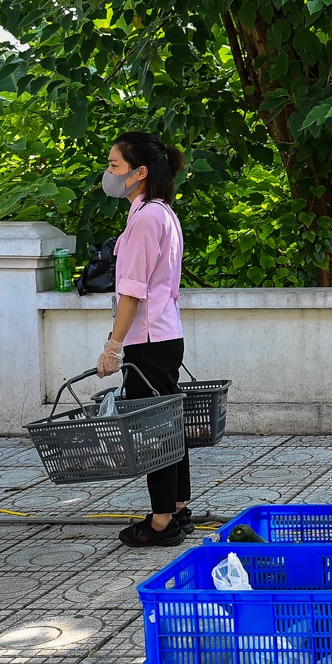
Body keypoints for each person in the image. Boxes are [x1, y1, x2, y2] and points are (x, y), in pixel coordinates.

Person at [96, 131, 193, 547]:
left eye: (115, 166)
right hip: (164, 335)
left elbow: (133, 291)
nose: (109, 174)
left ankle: (160, 522)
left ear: (140, 173)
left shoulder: (146, 218)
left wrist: (112, 346)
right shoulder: (160, 212)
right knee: (169, 424)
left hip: (149, 339)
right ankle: (177, 507)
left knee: (154, 430)